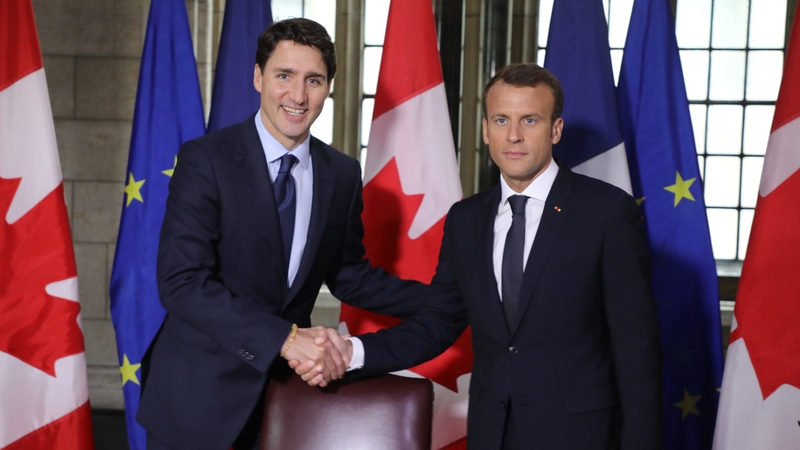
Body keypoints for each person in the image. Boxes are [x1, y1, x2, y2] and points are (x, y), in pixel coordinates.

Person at [296, 63, 663, 450]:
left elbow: (637, 347)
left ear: (555, 129)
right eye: (501, 120)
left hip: (579, 436)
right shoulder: (466, 219)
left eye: (530, 120)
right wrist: (350, 352)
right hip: (492, 432)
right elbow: (439, 322)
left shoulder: (606, 212)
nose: (514, 136)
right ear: (486, 129)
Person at [137, 18, 426, 450]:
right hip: (196, 399)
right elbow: (181, 283)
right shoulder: (207, 160)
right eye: (284, 76)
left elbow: (348, 275)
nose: (297, 95)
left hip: (286, 399)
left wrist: (449, 295)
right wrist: (288, 339)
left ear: (328, 87)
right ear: (258, 77)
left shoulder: (342, 173)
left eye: (314, 80)